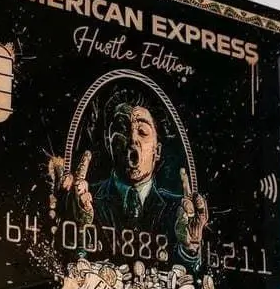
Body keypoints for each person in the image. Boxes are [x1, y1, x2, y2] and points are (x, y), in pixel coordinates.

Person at [56, 98, 207, 274]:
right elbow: (67, 267)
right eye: (121, 129)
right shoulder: (83, 201)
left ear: (157, 151)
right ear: (109, 143)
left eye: (142, 131)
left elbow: (189, 278)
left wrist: (190, 248)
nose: (132, 139)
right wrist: (76, 225)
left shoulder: (178, 211)